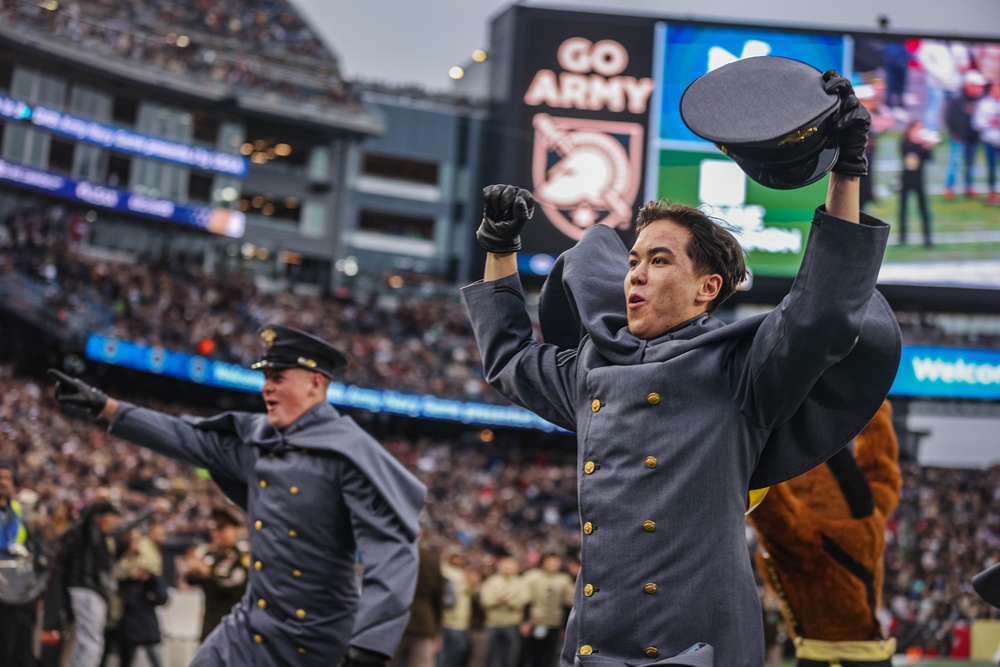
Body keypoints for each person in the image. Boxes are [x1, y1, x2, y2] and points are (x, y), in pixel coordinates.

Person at [461, 73, 899, 666]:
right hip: (592, 648)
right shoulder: (592, 368)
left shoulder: (742, 369)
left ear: (706, 288)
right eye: (634, 259)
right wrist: (498, 247)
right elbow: (509, 357)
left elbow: (820, 312)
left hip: (698, 649)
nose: (634, 274)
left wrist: (847, 168)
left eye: (659, 260)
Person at [49, 323, 427, 667]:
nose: (267, 388)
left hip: (315, 639)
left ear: (315, 383)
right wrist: (107, 407)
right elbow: (186, 439)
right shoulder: (258, 441)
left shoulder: (349, 454)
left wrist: (369, 646)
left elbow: (393, 552)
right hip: (251, 625)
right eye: (266, 378)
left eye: (278, 378)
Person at [749, 400, 901, 666]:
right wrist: (873, 402)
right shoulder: (871, 518)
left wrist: (752, 441)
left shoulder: (807, 542)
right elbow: (882, 468)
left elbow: (774, 511)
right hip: (873, 653)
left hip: (832, 659)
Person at [59, 502, 123, 667]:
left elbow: (126, 529)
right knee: (91, 641)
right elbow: (86, 522)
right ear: (100, 517)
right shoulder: (88, 534)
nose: (116, 522)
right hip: (86, 590)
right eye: (113, 517)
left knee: (84, 640)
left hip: (91, 591)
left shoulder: (103, 538)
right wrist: (97, 503)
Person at [0, 458, 44, 667]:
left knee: (21, 650)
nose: (3, 482)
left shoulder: (17, 510)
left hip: (17, 587)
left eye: (7, 478)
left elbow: (26, 544)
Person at [184, 507, 250, 642]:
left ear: (235, 529)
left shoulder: (242, 557)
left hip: (235, 627)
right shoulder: (208, 554)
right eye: (213, 529)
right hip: (211, 625)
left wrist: (208, 575)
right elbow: (191, 581)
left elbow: (235, 589)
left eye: (221, 528)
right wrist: (193, 571)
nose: (216, 533)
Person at [114, 527, 168, 667]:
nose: (136, 543)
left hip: (143, 616)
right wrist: (130, 580)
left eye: (138, 539)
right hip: (122, 617)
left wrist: (147, 580)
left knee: (151, 653)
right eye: (132, 539)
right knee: (124, 657)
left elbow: (161, 596)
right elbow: (114, 585)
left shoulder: (146, 563)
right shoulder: (117, 563)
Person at [393, 540, 445, 667]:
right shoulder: (431, 558)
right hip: (424, 623)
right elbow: (438, 597)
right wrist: (436, 630)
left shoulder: (394, 552)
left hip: (394, 619)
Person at [519, 553, 574, 667]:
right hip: (535, 622)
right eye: (550, 560)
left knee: (549, 657)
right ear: (543, 561)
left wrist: (564, 627)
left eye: (556, 561)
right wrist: (526, 620)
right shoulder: (532, 577)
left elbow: (567, 604)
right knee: (529, 656)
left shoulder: (564, 579)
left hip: (554, 623)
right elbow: (526, 600)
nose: (553, 564)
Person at [944, 70, 987, 199]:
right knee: (955, 162)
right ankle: (949, 188)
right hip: (959, 137)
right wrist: (954, 132)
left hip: (973, 137)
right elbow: (949, 117)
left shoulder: (981, 101)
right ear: (969, 85)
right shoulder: (958, 100)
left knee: (971, 163)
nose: (980, 88)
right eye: (977, 86)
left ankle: (969, 187)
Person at [479, 557, 528, 667]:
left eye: (511, 568)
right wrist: (498, 600)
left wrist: (509, 602)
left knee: (511, 657)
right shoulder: (492, 581)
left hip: (512, 624)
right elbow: (485, 601)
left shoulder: (520, 583)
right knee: (492, 657)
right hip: (493, 623)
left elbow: (524, 600)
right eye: (505, 567)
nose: (508, 570)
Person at [898, 121, 939, 247]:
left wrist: (929, 147)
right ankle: (902, 238)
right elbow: (911, 159)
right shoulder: (906, 143)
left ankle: (927, 239)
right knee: (903, 210)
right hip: (906, 180)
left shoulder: (922, 145)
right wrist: (922, 146)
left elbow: (930, 158)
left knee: (923, 210)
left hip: (919, 181)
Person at [439, 547, 473, 667]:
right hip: (448, 620)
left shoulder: (462, 572)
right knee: (445, 655)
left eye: (459, 556)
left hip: (461, 621)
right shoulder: (443, 570)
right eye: (455, 556)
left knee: (458, 653)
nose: (457, 559)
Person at [972, 82, 1000, 204]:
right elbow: (976, 123)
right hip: (989, 140)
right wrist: (990, 122)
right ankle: (992, 192)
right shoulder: (984, 104)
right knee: (991, 168)